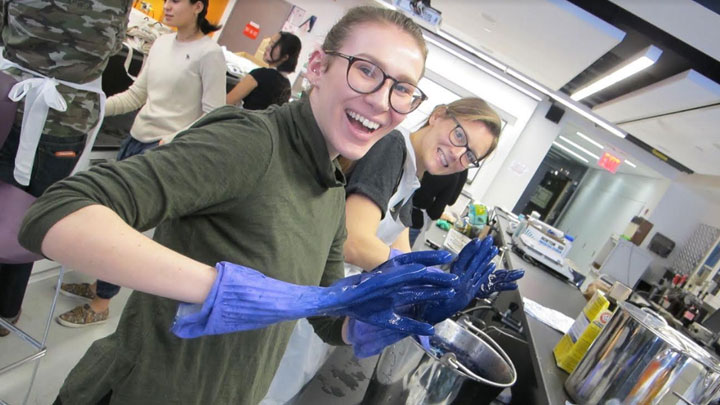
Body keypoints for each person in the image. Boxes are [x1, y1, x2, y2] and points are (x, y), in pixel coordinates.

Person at [18, 6, 452, 404]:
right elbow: (57, 212)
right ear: (318, 67)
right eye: (366, 71)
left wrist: (364, 318)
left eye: (402, 90)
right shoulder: (252, 142)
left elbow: (322, 314)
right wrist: (217, 288)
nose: (381, 101)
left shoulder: (333, 187)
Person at [56, 0, 227, 328]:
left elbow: (214, 113)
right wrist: (94, 106)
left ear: (199, 7)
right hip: (135, 139)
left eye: (177, 1)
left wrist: (175, 138)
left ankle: (102, 302)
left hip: (162, 151)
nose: (168, 6)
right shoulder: (161, 43)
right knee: (105, 219)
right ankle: (98, 285)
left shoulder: (210, 55)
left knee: (122, 229)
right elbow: (137, 96)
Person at [0, 0, 132, 337]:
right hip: (66, 117)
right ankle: (6, 312)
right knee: (31, 218)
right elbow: (114, 44)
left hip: (7, 98)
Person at [343, 98, 502, 271]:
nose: (457, 154)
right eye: (459, 135)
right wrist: (417, 276)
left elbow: (400, 246)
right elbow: (353, 243)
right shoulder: (393, 146)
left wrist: (431, 279)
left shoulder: (411, 177)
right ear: (437, 115)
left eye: (470, 156)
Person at [226, 31, 302, 110]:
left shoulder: (260, 75)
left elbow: (227, 102)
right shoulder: (287, 86)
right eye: (269, 43)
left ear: (285, 57)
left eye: (273, 45)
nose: (267, 47)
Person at [408, 170, 468, 246]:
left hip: (395, 203)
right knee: (398, 254)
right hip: (414, 218)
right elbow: (436, 212)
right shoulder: (456, 173)